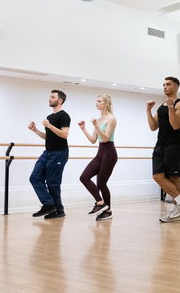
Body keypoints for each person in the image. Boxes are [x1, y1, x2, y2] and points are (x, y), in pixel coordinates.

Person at [146, 77, 180, 223]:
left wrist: (171, 107)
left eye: (168, 84)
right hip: (160, 144)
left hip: (174, 144)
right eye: (163, 84)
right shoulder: (161, 106)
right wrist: (148, 110)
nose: (164, 87)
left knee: (174, 176)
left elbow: (175, 125)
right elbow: (153, 127)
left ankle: (177, 208)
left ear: (176, 87)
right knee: (157, 175)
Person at [28, 90, 71, 219]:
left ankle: (57, 210)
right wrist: (35, 130)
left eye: (53, 97)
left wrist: (49, 125)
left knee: (53, 183)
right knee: (35, 178)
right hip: (48, 152)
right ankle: (49, 204)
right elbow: (48, 137)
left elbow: (64, 134)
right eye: (50, 97)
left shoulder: (64, 116)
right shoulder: (50, 117)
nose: (50, 99)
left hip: (59, 153)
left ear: (60, 100)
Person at [78, 95, 118, 221]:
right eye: (96, 101)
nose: (97, 103)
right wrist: (84, 129)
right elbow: (93, 140)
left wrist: (95, 126)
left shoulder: (111, 119)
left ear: (106, 103)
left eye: (99, 101)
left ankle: (108, 211)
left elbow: (106, 138)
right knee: (84, 177)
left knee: (101, 183)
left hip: (109, 153)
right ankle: (100, 202)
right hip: (100, 153)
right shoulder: (100, 119)